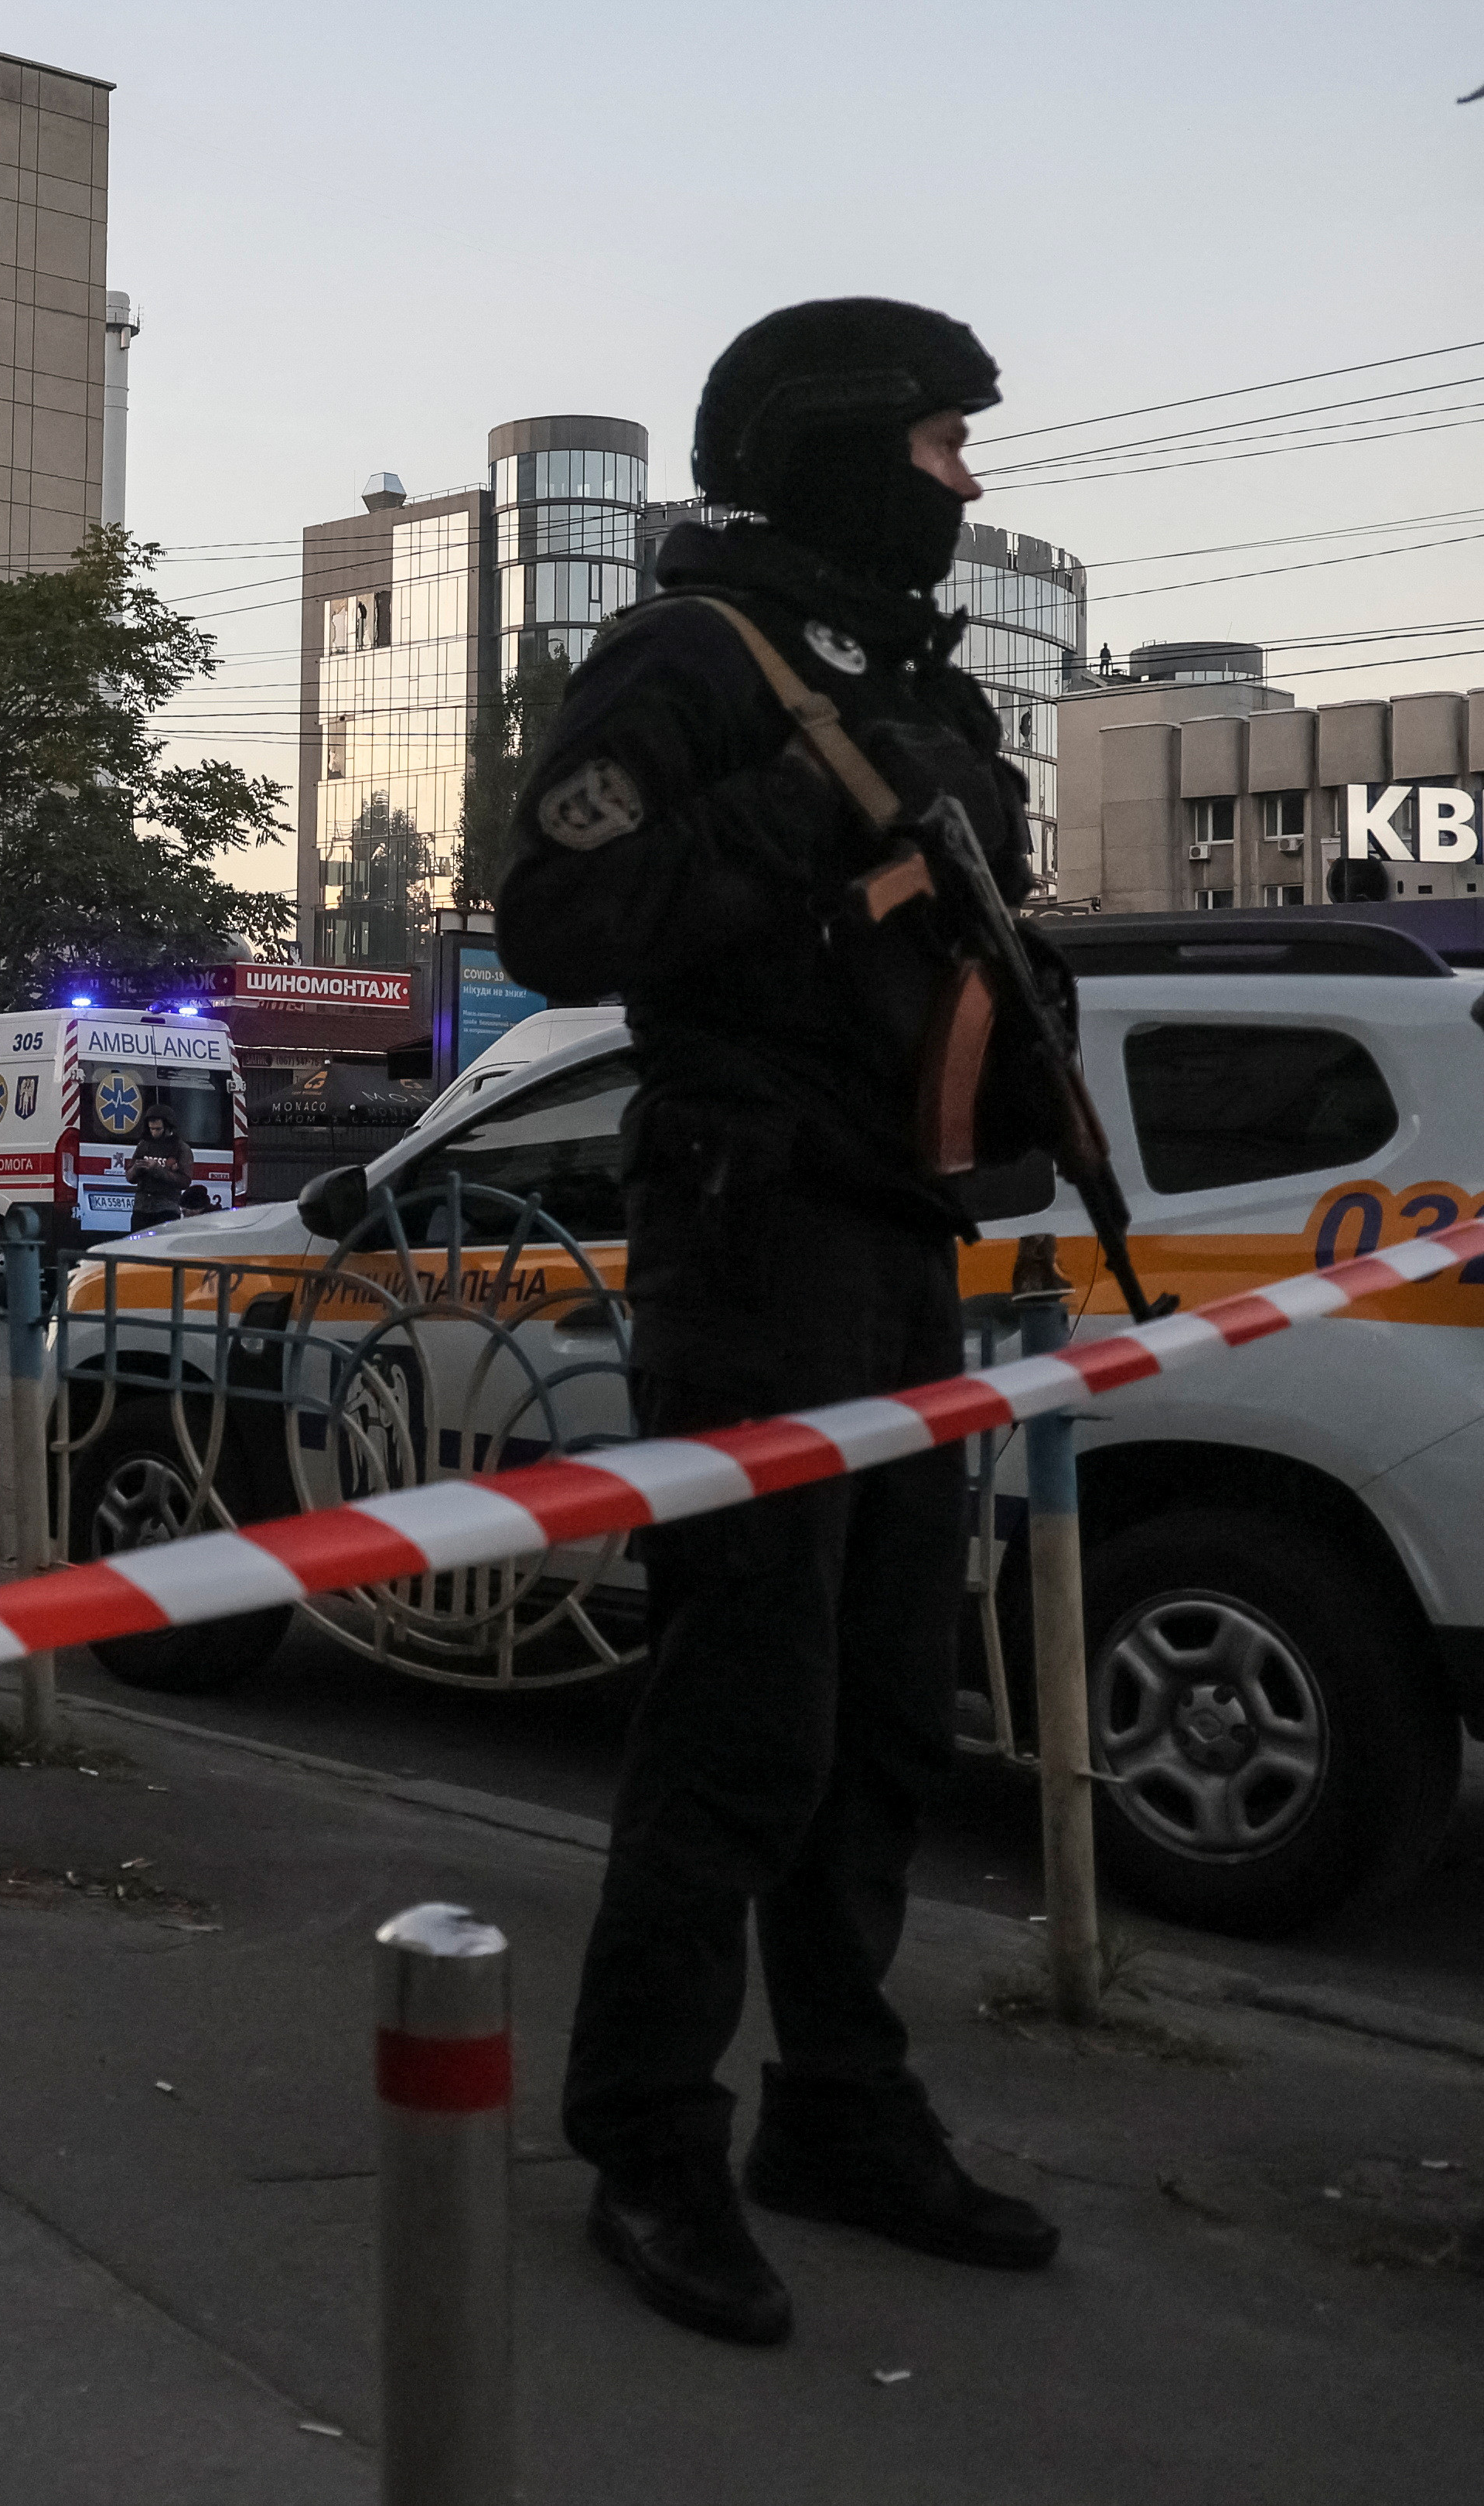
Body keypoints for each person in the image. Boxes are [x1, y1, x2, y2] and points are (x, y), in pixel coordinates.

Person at [499, 297, 1061, 2348]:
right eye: (936, 446)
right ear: (836, 448)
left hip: (898, 1231)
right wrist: (799, 813)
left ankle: (836, 2105)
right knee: (746, 1711)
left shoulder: (910, 669)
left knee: (890, 1701)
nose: (963, 480)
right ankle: (645, 2137)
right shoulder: (686, 656)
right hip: (748, 1241)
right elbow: (551, 919)